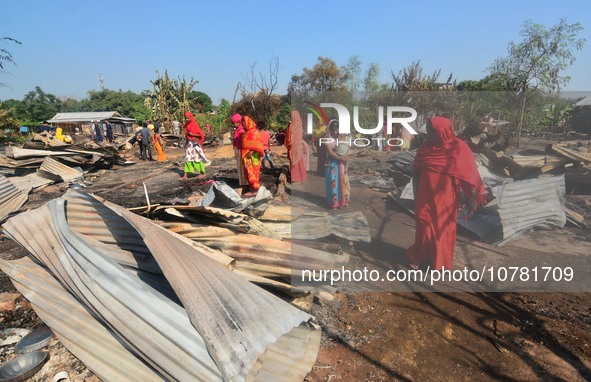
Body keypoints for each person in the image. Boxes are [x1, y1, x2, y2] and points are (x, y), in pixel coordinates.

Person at [406, 116, 487, 271]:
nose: (428, 134)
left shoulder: (458, 147)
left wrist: (473, 195)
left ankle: (439, 262)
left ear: (441, 132)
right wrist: (415, 191)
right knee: (423, 227)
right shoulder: (425, 148)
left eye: (431, 131)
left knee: (443, 230)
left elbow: (470, 172)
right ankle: (419, 256)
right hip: (425, 196)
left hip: (446, 199)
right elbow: (417, 170)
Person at [324, 120, 349, 210]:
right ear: (329, 130)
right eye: (333, 130)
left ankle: (341, 201)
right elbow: (330, 152)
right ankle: (333, 203)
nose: (335, 132)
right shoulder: (327, 138)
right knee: (333, 182)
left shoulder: (340, 137)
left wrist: (345, 156)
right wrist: (340, 158)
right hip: (331, 163)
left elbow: (346, 147)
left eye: (336, 130)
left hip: (340, 163)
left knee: (341, 182)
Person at [180, 111, 208, 180]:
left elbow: (201, 134)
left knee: (197, 159)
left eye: (188, 118)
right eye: (186, 118)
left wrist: (193, 135)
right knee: (187, 159)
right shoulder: (186, 126)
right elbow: (187, 135)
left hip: (195, 144)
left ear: (191, 117)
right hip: (189, 145)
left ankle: (202, 173)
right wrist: (186, 144)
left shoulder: (195, 125)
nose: (187, 120)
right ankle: (185, 175)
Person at [241, 116, 264, 192]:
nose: (242, 124)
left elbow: (258, 144)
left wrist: (250, 152)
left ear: (248, 122)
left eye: (243, 122)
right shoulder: (246, 132)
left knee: (253, 172)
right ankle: (252, 187)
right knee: (248, 172)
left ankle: (255, 188)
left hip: (253, 156)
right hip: (246, 156)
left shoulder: (255, 132)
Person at [289, 110, 309, 184]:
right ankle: (300, 177)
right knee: (298, 162)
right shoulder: (298, 124)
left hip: (296, 145)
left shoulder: (295, 125)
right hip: (297, 145)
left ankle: (296, 178)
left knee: (297, 162)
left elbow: (293, 136)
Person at [231, 113, 248, 186]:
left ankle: (244, 183)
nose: (233, 125)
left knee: (242, 167)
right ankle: (242, 182)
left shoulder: (241, 131)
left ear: (238, 122)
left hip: (241, 150)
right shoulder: (238, 129)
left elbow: (244, 141)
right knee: (240, 166)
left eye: (233, 123)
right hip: (238, 150)